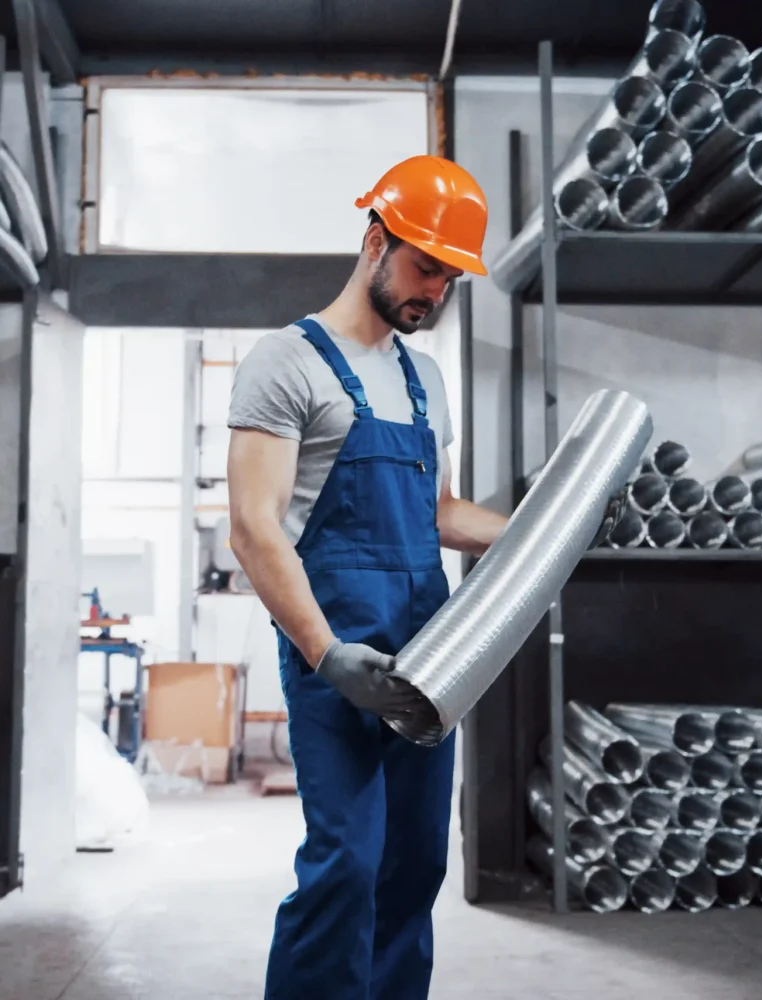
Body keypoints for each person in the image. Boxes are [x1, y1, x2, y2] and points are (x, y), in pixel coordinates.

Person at [225, 155, 509, 1000]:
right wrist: (325, 653)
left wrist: (541, 538)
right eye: (426, 268)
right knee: (347, 863)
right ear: (376, 241)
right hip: (338, 655)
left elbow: (438, 513)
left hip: (431, 654)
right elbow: (253, 526)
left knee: (415, 865)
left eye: (451, 279)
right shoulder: (286, 362)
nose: (435, 292)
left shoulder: (425, 378)